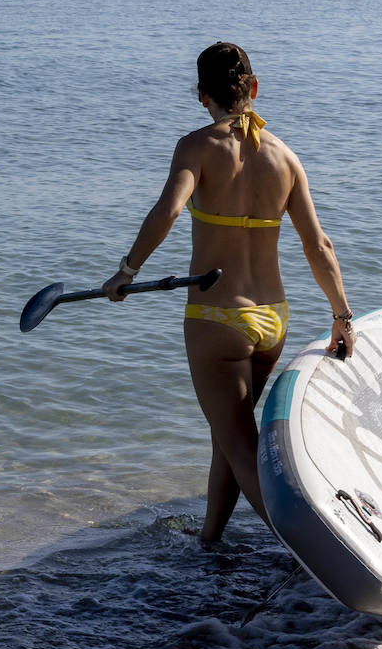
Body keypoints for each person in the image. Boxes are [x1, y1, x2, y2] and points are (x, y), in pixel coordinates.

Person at [102, 42, 355, 543]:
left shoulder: (196, 147)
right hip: (273, 319)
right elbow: (318, 245)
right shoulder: (285, 156)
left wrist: (126, 271)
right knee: (229, 437)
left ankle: (310, 550)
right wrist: (341, 316)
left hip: (218, 319)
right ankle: (210, 539)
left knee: (241, 447)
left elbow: (169, 211)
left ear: (202, 95)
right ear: (254, 87)